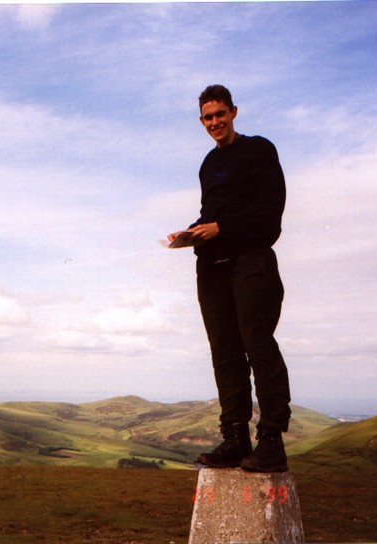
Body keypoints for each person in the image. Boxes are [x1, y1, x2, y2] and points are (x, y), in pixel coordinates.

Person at [168, 84, 291, 472]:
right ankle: (235, 438)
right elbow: (213, 213)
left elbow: (270, 211)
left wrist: (221, 227)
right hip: (212, 266)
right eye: (208, 117)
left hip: (251, 260)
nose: (214, 122)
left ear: (234, 112)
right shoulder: (208, 164)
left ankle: (271, 441)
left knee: (258, 344)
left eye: (220, 114)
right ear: (200, 120)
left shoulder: (259, 150)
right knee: (224, 351)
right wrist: (190, 231)